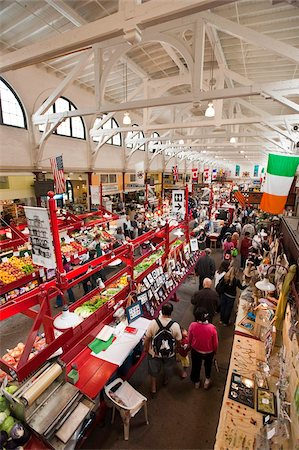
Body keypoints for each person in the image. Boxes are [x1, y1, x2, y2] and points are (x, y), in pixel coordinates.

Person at [144, 303, 182, 397]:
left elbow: (147, 338)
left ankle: (153, 387)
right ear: (171, 313)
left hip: (154, 352)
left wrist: (146, 349)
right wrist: (177, 350)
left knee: (153, 369)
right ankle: (166, 379)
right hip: (169, 353)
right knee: (168, 366)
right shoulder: (175, 326)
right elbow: (178, 340)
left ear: (161, 311)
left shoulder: (153, 323)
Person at [187, 307, 218, 390]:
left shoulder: (193, 325)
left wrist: (189, 345)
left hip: (196, 350)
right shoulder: (212, 328)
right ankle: (207, 381)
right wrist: (215, 351)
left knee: (196, 366)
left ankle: (196, 381)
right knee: (208, 366)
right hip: (209, 352)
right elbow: (215, 343)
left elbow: (189, 338)